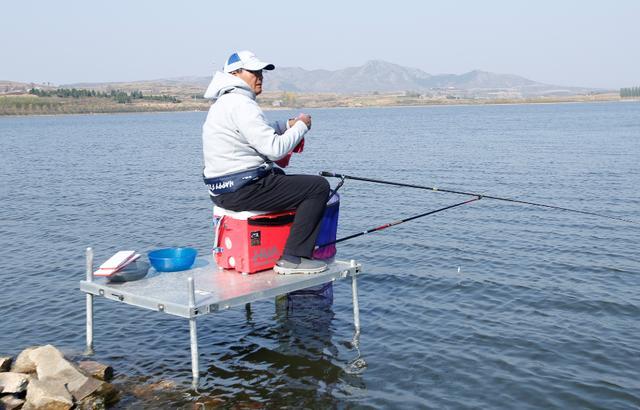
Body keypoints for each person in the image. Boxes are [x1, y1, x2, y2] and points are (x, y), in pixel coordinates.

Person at [202, 50, 330, 274]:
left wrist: (286, 125)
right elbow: (274, 149)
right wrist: (302, 127)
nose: (260, 76)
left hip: (222, 192)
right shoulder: (242, 104)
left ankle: (285, 247)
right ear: (235, 73)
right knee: (317, 187)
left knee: (281, 179)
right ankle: (294, 257)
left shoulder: (223, 104)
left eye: (260, 71)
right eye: (253, 71)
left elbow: (255, 133)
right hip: (244, 190)